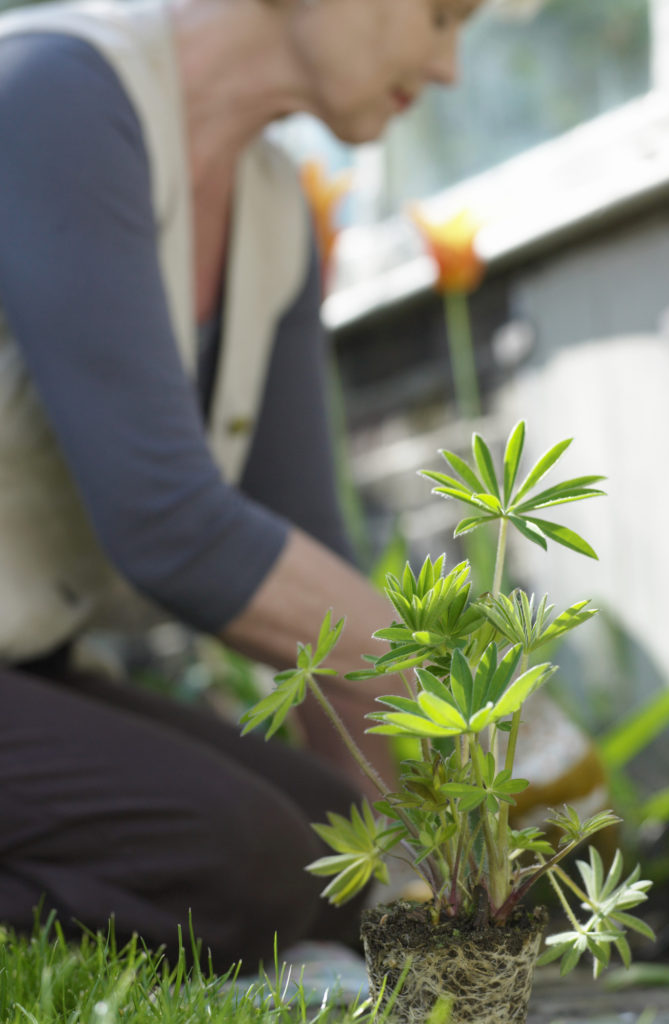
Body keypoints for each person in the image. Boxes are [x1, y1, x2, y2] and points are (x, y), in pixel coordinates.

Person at [0, 0, 482, 972]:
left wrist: (408, 869)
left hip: (25, 661)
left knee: (328, 852)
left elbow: (301, 551)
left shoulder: (273, 213)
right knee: (234, 854)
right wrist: (452, 712)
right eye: (440, 15)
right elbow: (168, 526)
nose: (449, 69)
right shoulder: (53, 95)